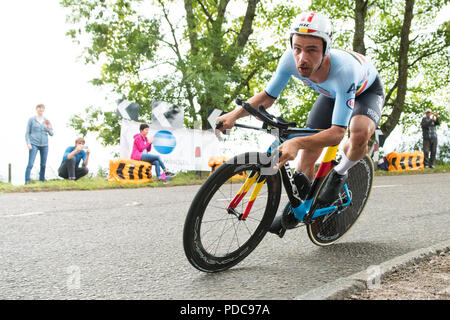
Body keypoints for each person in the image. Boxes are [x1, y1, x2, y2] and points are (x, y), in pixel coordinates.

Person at [216, 11, 385, 233]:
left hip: (365, 92)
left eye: (312, 50)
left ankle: (340, 172)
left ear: (326, 50)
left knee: (359, 131)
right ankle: (300, 210)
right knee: (306, 158)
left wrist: (296, 142)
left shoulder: (344, 70)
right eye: (297, 48)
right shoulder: (289, 59)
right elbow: (267, 97)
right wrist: (233, 115)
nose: (302, 58)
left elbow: (336, 134)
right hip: (331, 94)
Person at [25, 104, 54, 183]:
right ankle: (27, 180)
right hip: (33, 143)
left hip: (44, 145)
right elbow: (27, 133)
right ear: (36, 109)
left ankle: (41, 180)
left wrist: (48, 130)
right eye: (39, 108)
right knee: (30, 163)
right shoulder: (31, 120)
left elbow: (52, 133)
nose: (40, 110)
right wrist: (28, 143)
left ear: (44, 110)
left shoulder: (47, 121)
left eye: (42, 108)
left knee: (43, 164)